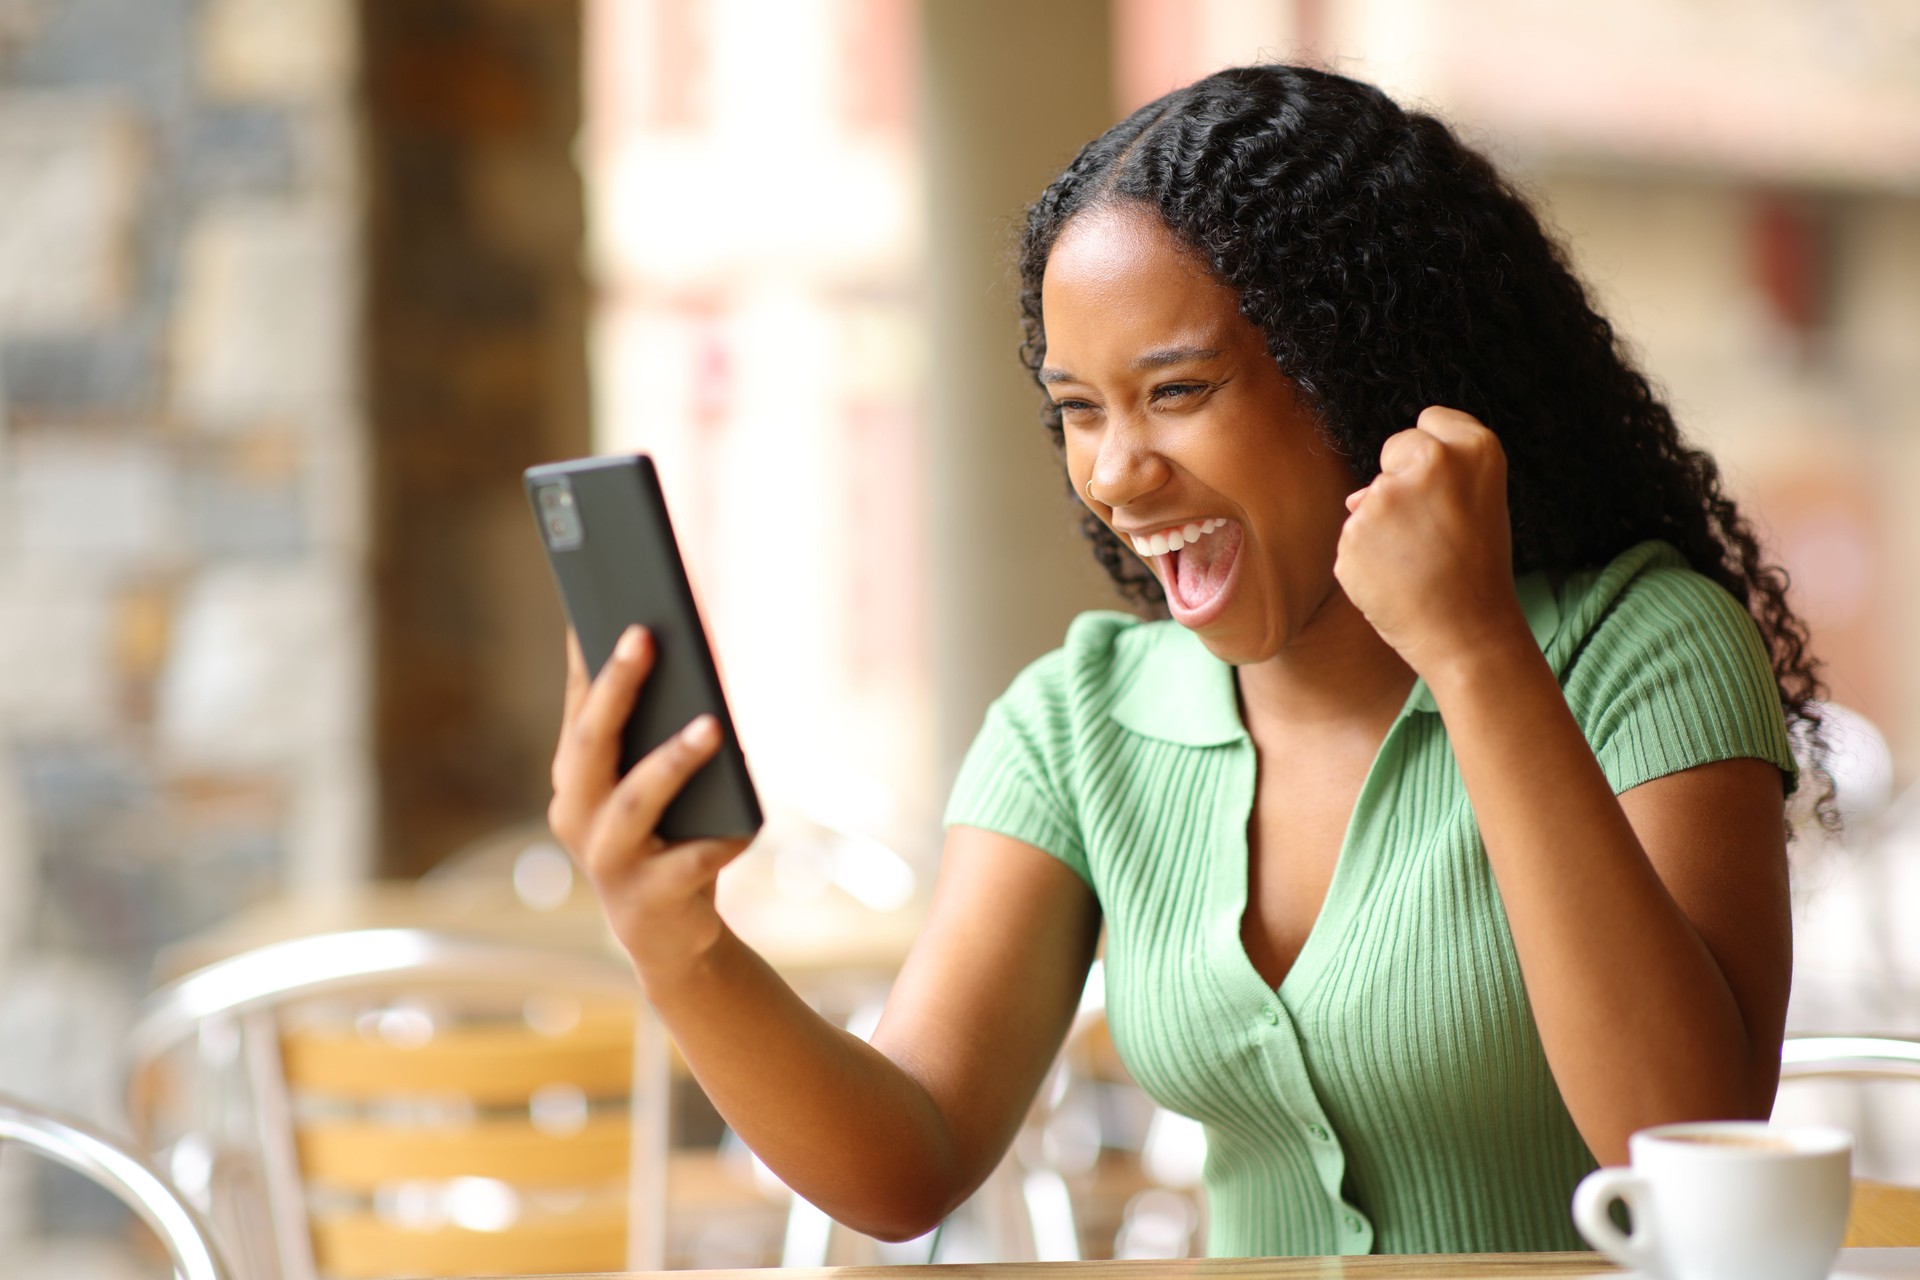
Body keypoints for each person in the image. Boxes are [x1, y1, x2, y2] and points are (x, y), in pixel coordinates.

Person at [546, 64, 1825, 1257]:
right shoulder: (1081, 719)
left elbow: (1680, 1131)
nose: (1114, 472)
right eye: (1077, 409)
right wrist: (680, 942)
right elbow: (909, 1155)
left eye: (1176, 391)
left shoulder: (1641, 645)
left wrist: (1475, 648)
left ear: (1365, 376)